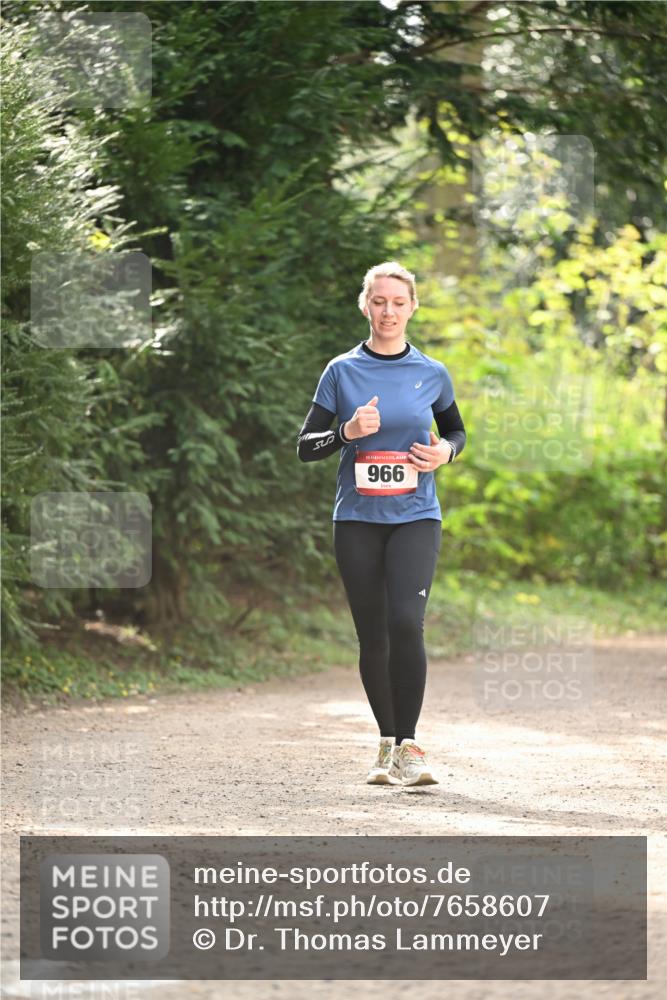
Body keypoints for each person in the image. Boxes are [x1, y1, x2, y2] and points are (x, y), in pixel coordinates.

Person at [297, 262, 466, 786]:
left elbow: (456, 433)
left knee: (403, 622)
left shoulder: (432, 372)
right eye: (379, 301)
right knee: (373, 635)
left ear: (412, 307)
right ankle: (386, 742)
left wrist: (444, 454)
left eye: (398, 302)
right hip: (356, 520)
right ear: (365, 305)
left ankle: (410, 747)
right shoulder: (341, 371)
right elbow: (306, 448)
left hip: (416, 516)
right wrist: (346, 431)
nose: (388, 311)